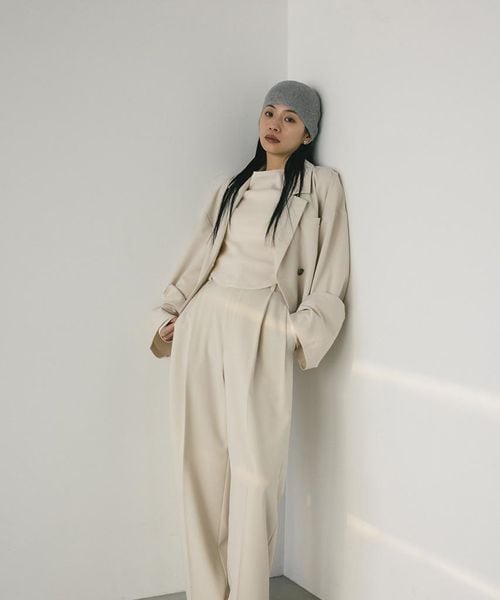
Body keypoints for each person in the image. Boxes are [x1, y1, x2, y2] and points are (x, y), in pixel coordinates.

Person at [149, 80, 351, 600]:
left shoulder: (321, 186)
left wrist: (299, 330)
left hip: (264, 322)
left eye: (289, 118)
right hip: (205, 319)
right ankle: (205, 592)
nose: (274, 124)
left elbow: (331, 269)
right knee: (199, 463)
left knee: (257, 471)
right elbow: (201, 255)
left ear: (308, 133)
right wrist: (173, 313)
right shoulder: (229, 189)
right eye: (269, 112)